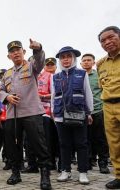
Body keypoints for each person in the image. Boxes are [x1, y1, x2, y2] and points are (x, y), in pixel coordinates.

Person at [0, 39, 52, 190]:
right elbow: (1, 90)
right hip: (12, 115)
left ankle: (45, 175)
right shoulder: (7, 73)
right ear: (9, 56)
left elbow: (40, 60)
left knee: (39, 144)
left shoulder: (31, 67)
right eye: (12, 51)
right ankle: (15, 173)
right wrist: (7, 97)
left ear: (24, 52)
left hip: (32, 112)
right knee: (12, 146)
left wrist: (38, 49)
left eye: (18, 50)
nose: (15, 52)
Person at [51, 46, 93, 185]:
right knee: (64, 144)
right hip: (60, 116)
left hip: (79, 114)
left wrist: (89, 112)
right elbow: (53, 96)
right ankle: (65, 171)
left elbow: (88, 93)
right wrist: (53, 111)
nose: (66, 59)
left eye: (68, 56)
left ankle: (83, 172)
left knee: (81, 144)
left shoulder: (82, 74)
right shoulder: (55, 76)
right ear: (60, 60)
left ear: (73, 58)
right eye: (63, 57)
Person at [97, 26, 120, 189]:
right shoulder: (100, 64)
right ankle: (119, 175)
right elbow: (102, 86)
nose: (107, 42)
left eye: (111, 37)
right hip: (108, 106)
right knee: (114, 144)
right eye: (103, 40)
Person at [80, 53, 110, 174]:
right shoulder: (79, 76)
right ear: (81, 63)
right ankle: (88, 161)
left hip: (98, 110)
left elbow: (105, 89)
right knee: (85, 138)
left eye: (89, 60)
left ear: (93, 62)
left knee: (100, 138)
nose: (86, 62)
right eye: (84, 60)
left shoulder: (98, 75)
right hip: (83, 112)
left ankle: (103, 163)